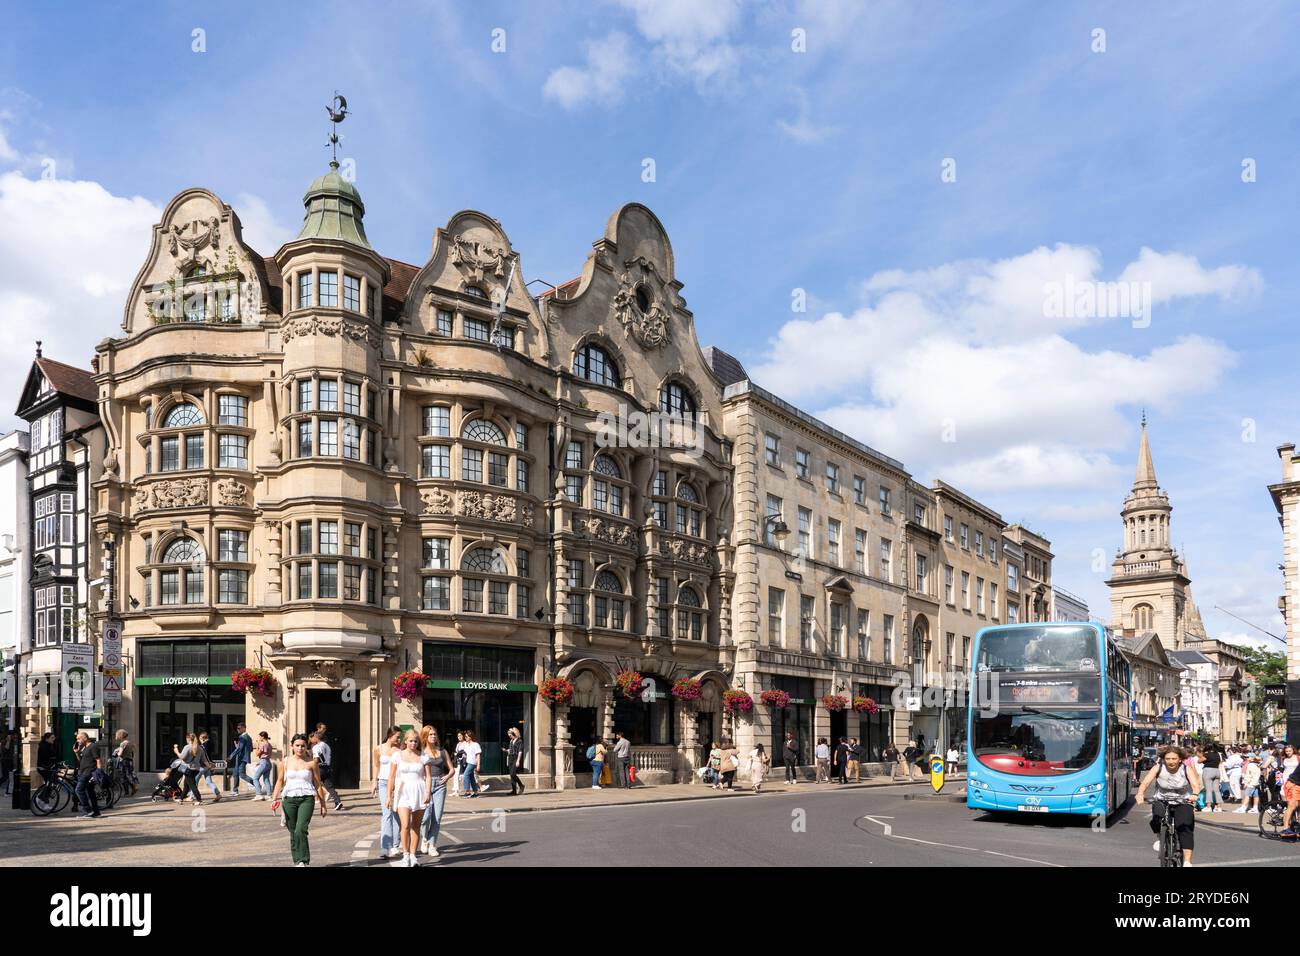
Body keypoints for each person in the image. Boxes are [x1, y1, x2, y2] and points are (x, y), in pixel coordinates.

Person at [1136, 746, 1200, 866]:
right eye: (1168, 758)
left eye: (1174, 759)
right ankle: (1161, 839)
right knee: (1156, 818)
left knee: (1185, 827)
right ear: (1163, 759)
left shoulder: (1186, 769)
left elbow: (1195, 785)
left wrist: (1195, 794)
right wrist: (1140, 793)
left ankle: (1187, 861)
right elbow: (1145, 782)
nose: (1171, 761)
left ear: (1180, 759)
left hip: (1183, 801)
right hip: (1162, 799)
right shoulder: (1158, 768)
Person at [271, 733, 328, 867]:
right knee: (293, 831)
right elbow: (279, 781)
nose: (300, 748)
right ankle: (298, 861)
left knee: (300, 829)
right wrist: (274, 798)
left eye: (303, 746)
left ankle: (303, 860)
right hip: (289, 799)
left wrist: (323, 804)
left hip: (306, 798)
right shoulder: (285, 761)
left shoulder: (312, 763)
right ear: (292, 746)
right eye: (297, 745)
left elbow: (318, 784)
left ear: (306, 747)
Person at [388, 728, 432, 867]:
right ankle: (405, 855)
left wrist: (427, 792)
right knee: (405, 825)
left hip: (419, 790)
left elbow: (428, 777)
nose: (413, 743)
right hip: (403, 792)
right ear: (405, 741)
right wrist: (389, 795)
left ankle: (413, 856)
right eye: (411, 740)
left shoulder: (423, 756)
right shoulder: (397, 756)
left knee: (416, 826)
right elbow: (392, 776)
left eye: (415, 741)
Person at [419, 726, 454, 858]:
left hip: (440, 786)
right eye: (430, 734)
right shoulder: (421, 752)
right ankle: (424, 838)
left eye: (434, 734)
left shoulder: (442, 751)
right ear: (425, 737)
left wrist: (447, 777)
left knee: (437, 817)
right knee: (425, 817)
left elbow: (451, 769)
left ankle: (432, 845)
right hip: (425, 786)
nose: (433, 736)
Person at [371, 725, 402, 858]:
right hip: (383, 782)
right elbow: (376, 765)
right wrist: (374, 781)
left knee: (396, 814)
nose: (399, 739)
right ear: (390, 735)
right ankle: (385, 847)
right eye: (397, 737)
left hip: (397, 783)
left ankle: (395, 845)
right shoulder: (379, 748)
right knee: (387, 813)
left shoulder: (399, 750)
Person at [311, 731, 344, 811]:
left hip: (319, 768)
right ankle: (337, 801)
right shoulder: (327, 746)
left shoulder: (316, 747)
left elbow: (317, 758)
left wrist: (311, 765)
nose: (314, 738)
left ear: (317, 738)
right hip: (327, 768)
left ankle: (310, 802)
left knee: (310, 784)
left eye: (315, 737)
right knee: (330, 787)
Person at [73, 731, 103, 819]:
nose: (77, 741)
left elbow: (98, 760)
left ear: (85, 738)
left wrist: (98, 772)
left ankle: (87, 810)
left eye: (79, 739)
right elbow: (81, 761)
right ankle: (96, 812)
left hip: (88, 772)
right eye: (77, 739)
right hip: (83, 771)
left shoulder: (93, 746)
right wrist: (77, 752)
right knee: (90, 792)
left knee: (78, 790)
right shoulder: (85, 747)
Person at [174, 733, 204, 804]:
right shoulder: (200, 748)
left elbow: (182, 757)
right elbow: (204, 759)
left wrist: (176, 751)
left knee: (192, 785)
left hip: (188, 769)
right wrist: (209, 765)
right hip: (196, 769)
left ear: (188, 739)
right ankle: (181, 798)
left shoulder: (187, 747)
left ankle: (199, 800)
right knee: (186, 785)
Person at [195, 731, 223, 802]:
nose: (199, 739)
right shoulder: (210, 744)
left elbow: (204, 756)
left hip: (202, 766)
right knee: (209, 782)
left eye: (200, 738)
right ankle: (218, 794)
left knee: (195, 781)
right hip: (208, 765)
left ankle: (192, 796)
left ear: (202, 738)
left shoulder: (203, 746)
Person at [229, 722, 255, 796]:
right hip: (242, 757)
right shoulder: (248, 737)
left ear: (244, 728)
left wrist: (231, 756)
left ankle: (256, 784)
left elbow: (239, 749)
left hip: (241, 758)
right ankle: (235, 790)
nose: (238, 730)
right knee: (235, 773)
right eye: (237, 728)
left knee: (242, 774)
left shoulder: (242, 737)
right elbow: (251, 749)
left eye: (239, 728)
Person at [112, 730, 138, 796]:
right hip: (130, 761)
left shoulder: (123, 743)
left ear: (120, 736)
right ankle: (133, 787)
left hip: (124, 761)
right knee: (128, 774)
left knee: (123, 777)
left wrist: (116, 752)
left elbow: (120, 754)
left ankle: (127, 792)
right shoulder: (130, 743)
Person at [252, 731, 275, 799]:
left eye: (259, 736)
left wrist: (257, 745)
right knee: (266, 779)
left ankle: (258, 794)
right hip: (268, 762)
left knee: (255, 778)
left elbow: (257, 754)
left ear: (262, 737)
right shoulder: (269, 744)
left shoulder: (263, 744)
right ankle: (269, 795)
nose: (259, 738)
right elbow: (266, 755)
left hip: (264, 762)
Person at [1199, 744, 1221, 812]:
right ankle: (1218, 807)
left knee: (1208, 790)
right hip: (1217, 771)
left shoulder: (1207, 754)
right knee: (1217, 790)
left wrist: (1202, 755)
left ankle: (1208, 806)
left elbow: (1199, 761)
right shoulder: (1217, 754)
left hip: (1208, 771)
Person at [461, 729, 482, 797]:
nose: (465, 738)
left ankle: (467, 791)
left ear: (470, 737)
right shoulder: (466, 745)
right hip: (468, 762)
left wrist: (478, 765)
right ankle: (475, 792)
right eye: (465, 736)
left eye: (466, 736)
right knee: (471, 777)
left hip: (473, 763)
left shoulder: (475, 744)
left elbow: (478, 755)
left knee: (465, 775)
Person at [504, 727, 526, 795]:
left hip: (515, 758)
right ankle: (514, 791)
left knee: (513, 774)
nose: (509, 736)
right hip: (510, 757)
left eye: (510, 735)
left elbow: (520, 751)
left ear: (514, 733)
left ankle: (521, 785)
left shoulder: (519, 741)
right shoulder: (511, 741)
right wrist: (506, 750)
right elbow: (511, 750)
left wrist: (518, 761)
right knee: (511, 775)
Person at [451, 731, 466, 797]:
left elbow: (464, 751)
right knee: (455, 775)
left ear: (463, 736)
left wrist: (458, 753)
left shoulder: (465, 743)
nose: (459, 737)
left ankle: (460, 790)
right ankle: (455, 790)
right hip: (457, 761)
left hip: (462, 761)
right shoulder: (458, 744)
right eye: (458, 736)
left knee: (460, 776)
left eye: (460, 735)